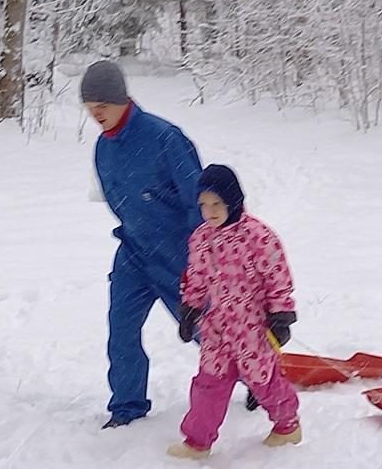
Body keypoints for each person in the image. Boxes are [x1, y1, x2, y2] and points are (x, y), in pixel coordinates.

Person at [80, 60, 203, 429]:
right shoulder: (103, 148)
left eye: (102, 105)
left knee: (208, 331)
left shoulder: (165, 138)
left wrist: (201, 259)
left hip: (178, 255)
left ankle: (259, 381)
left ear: (121, 99)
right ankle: (127, 406)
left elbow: (198, 201)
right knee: (121, 330)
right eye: (90, 108)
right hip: (133, 253)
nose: (96, 114)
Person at [167, 164, 301, 459]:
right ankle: (197, 442)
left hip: (253, 327)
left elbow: (277, 278)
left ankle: (287, 425)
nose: (210, 211)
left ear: (232, 200)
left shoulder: (258, 236)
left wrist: (281, 315)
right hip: (217, 326)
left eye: (217, 203)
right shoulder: (201, 238)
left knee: (263, 380)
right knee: (209, 382)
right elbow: (196, 277)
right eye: (204, 204)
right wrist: (190, 308)